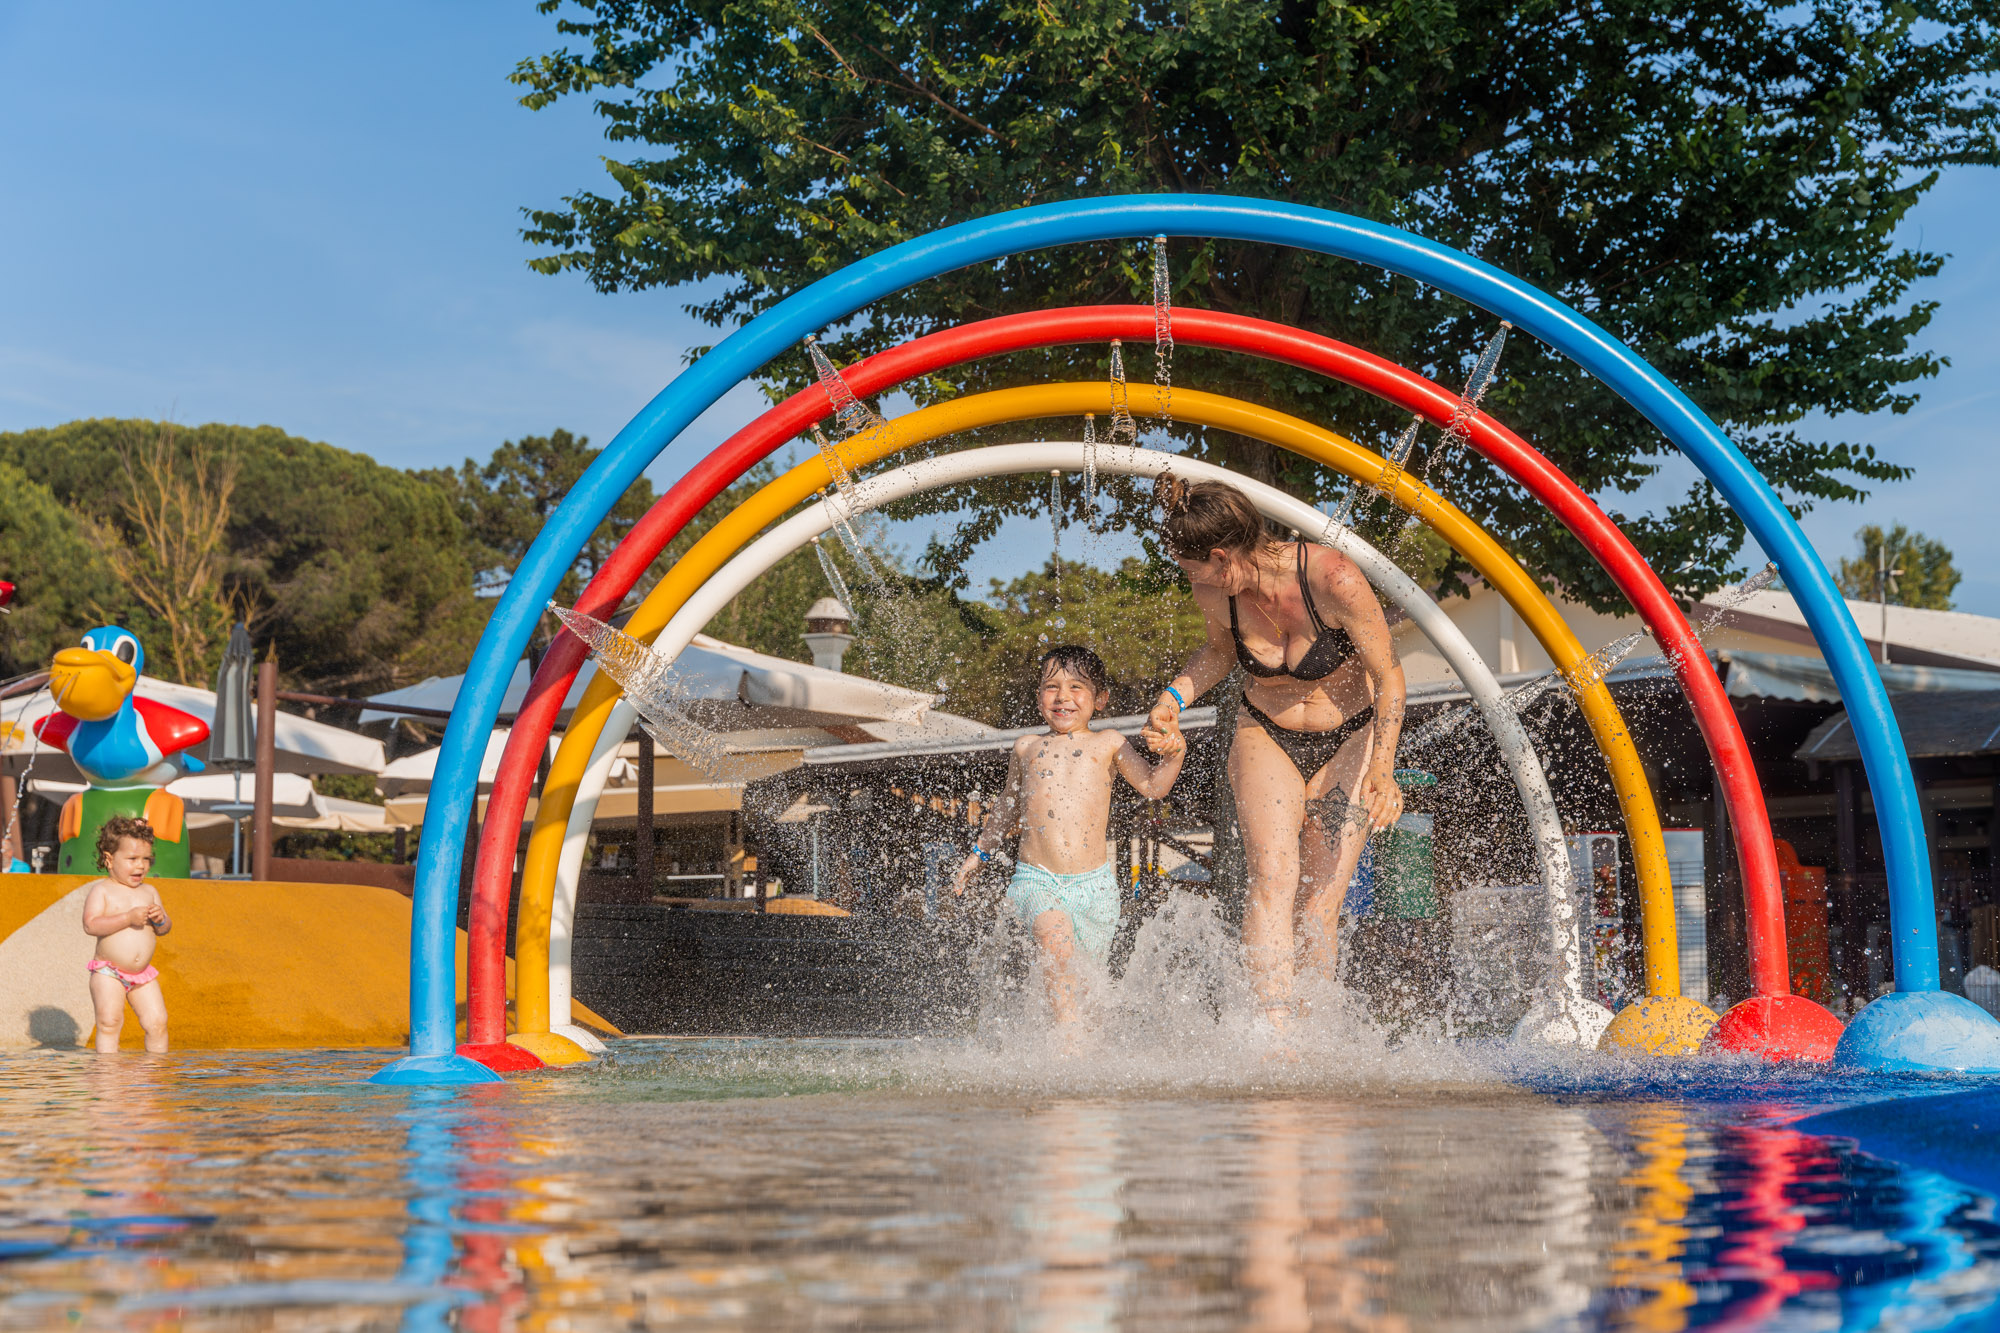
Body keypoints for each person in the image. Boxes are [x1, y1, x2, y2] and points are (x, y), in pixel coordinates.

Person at [1141, 476, 1405, 1031]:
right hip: (1265, 732)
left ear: (1221, 557)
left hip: (1351, 740)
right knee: (1272, 878)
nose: (1190, 580)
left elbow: (1388, 675)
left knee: (1318, 903)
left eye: (1193, 569)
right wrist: (1173, 696)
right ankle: (1272, 1034)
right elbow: (1218, 653)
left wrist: (1383, 770)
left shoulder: (1333, 578)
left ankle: (1313, 1035)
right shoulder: (1216, 592)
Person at [953, 646, 1186, 1028]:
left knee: (1084, 987)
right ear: (1038, 696)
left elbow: (1151, 785)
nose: (1063, 697)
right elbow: (1007, 808)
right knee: (1054, 942)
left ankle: (1076, 1050)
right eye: (1051, 687)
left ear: (1101, 698)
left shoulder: (1109, 743)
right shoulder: (1027, 747)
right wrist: (978, 853)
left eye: (1077, 687)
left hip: (1095, 888)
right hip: (1037, 877)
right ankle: (1067, 1043)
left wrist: (1174, 755)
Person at [80, 815, 172, 1053]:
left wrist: (161, 920)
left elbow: (163, 930)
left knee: (157, 1022)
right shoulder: (102, 891)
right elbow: (91, 925)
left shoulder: (150, 891)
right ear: (109, 860)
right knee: (109, 1022)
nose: (140, 866)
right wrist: (127, 918)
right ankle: (108, 1075)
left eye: (146, 859)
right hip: (108, 972)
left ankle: (154, 1072)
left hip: (143, 975)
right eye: (132, 859)